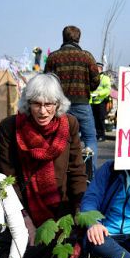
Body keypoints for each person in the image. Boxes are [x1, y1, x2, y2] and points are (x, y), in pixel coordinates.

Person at [0, 73, 88, 244]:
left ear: (58, 104)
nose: (43, 111)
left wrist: (79, 209)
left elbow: (77, 170)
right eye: (36, 104)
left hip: (62, 204)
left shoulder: (70, 124)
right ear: (28, 103)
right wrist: (22, 216)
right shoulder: (9, 127)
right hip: (25, 206)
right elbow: (7, 178)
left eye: (49, 104)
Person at [44, 25, 100, 168]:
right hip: (82, 104)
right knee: (89, 138)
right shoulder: (86, 56)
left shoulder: (53, 57)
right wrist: (87, 88)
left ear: (63, 37)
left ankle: (60, 171)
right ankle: (90, 174)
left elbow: (46, 81)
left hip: (60, 106)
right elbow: (96, 80)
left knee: (59, 138)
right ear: (78, 39)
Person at [89, 63, 111, 142]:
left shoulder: (105, 78)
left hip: (101, 101)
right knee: (92, 120)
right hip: (92, 101)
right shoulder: (92, 78)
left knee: (100, 119)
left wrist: (98, 94)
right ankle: (95, 135)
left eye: (96, 68)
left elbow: (108, 90)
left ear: (100, 69)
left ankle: (102, 135)